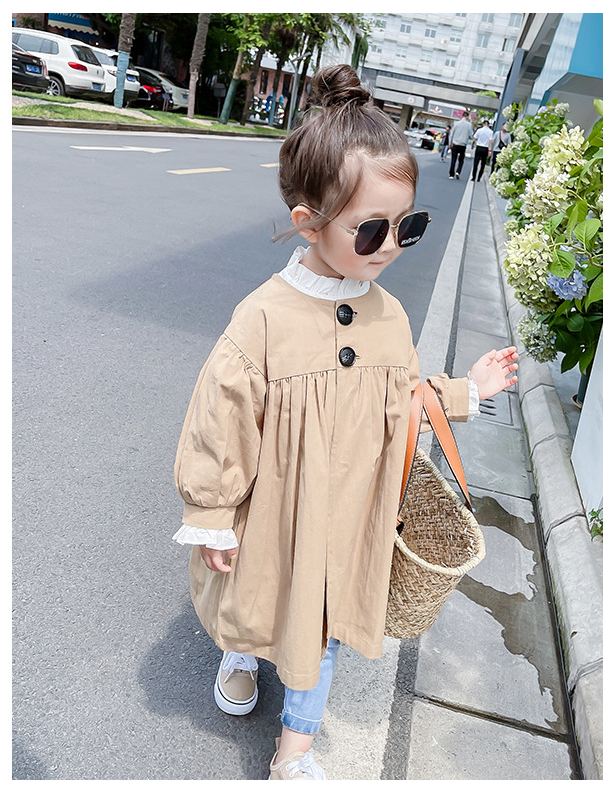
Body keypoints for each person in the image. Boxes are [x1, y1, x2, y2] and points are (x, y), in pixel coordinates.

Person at [171, 64, 519, 781]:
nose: (390, 245)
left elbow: (404, 402)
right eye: (370, 231)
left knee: (322, 623)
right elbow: (220, 420)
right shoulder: (264, 317)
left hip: (349, 513)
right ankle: (242, 653)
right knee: (256, 593)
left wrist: (466, 390)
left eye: (408, 226)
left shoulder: (389, 315)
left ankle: (293, 755)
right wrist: (211, 511)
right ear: (309, 222)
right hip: (273, 507)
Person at [448, 110, 473, 179]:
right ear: (467, 117)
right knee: (461, 160)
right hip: (463, 145)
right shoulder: (469, 125)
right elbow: (471, 135)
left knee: (453, 159)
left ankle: (451, 174)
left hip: (455, 143)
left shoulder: (456, 123)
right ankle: (458, 171)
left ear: (462, 116)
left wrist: (450, 143)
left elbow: (451, 134)